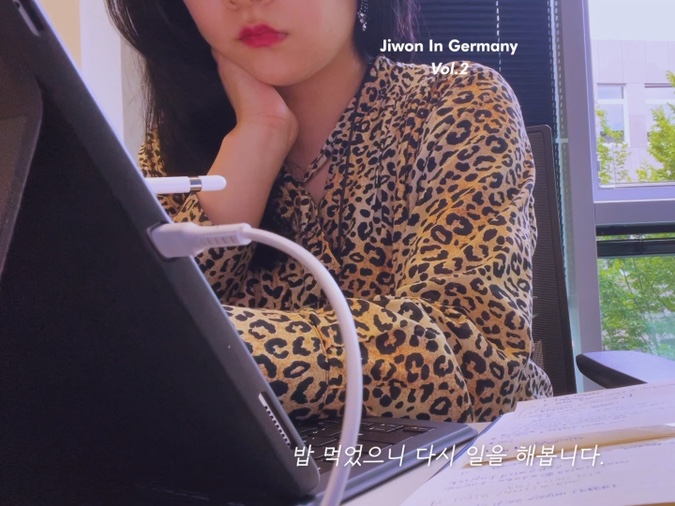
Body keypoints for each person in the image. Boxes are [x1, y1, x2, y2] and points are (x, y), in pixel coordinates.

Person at [107, 0, 554, 423]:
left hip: (473, 463)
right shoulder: (171, 154)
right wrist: (258, 137)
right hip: (267, 469)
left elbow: (475, 364)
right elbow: (137, 334)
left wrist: (206, 348)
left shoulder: (459, 102)